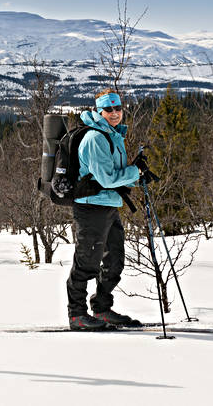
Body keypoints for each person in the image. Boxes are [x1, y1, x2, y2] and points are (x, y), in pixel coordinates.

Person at [67, 89, 145, 331]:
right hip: (91, 206)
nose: (114, 113)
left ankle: (101, 308)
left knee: (114, 260)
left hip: (109, 205)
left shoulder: (114, 136)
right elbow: (107, 178)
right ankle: (76, 314)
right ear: (99, 111)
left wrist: (138, 176)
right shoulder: (95, 138)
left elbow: (115, 177)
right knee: (87, 261)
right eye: (109, 109)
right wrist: (134, 172)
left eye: (118, 108)